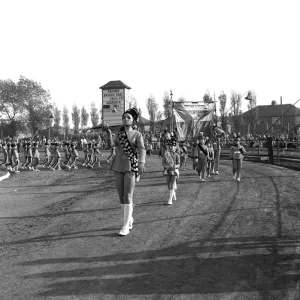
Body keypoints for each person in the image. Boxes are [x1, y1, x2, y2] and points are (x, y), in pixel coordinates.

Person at [110, 107, 146, 236]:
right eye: (124, 117)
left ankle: (125, 226)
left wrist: (141, 162)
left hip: (131, 166)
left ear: (133, 121)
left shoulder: (137, 134)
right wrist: (109, 136)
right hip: (118, 166)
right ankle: (129, 218)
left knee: (128, 195)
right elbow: (111, 145)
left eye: (128, 117)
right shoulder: (118, 135)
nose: (125, 119)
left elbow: (142, 149)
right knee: (121, 196)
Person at [162, 138, 180, 205]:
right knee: (169, 185)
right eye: (169, 146)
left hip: (174, 171)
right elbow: (163, 163)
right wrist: (166, 166)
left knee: (172, 184)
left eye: (172, 146)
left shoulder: (177, 155)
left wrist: (176, 166)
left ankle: (170, 200)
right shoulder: (166, 155)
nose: (170, 147)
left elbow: (179, 164)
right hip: (167, 171)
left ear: (175, 147)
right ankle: (173, 193)